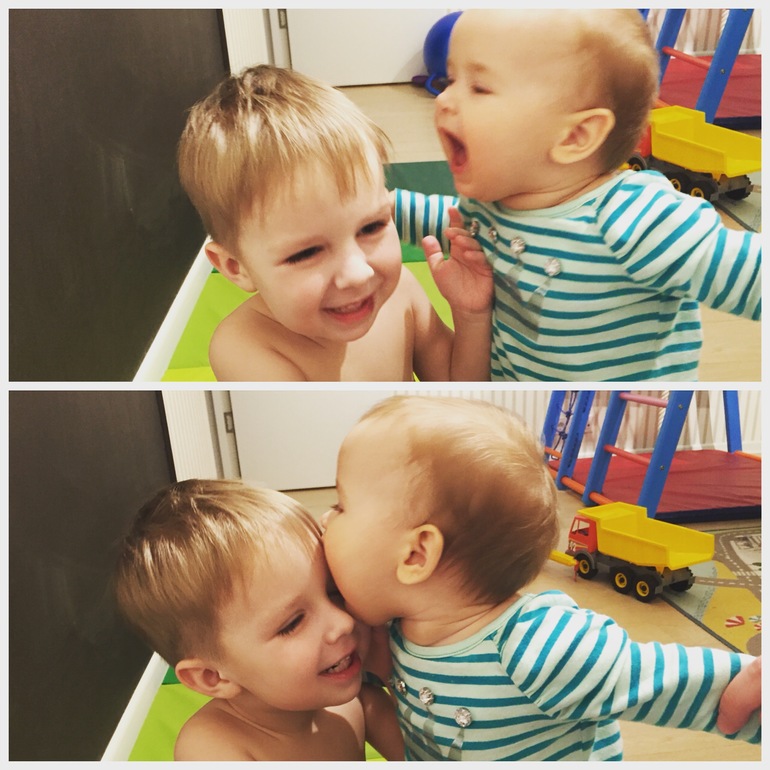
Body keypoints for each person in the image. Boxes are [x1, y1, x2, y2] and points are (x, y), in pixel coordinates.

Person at [322, 395, 762, 761]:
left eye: (340, 505)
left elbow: (675, 680)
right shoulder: (393, 629)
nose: (324, 520)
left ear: (416, 555)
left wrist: (746, 685)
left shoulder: (539, 646)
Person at [392, 9, 761, 381]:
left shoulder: (636, 218)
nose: (443, 100)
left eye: (479, 88)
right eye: (451, 80)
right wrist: (382, 209)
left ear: (574, 136)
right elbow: (451, 223)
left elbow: (750, 273)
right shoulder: (492, 204)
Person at [177, 64, 493, 382]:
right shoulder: (245, 348)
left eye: (371, 227)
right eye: (306, 253)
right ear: (235, 266)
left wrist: (471, 316)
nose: (358, 273)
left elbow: (457, 385)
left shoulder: (401, 290)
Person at [114, 479, 403, 761]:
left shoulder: (359, 702)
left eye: (335, 592)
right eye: (292, 624)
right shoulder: (211, 749)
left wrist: (391, 673)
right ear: (213, 676)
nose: (343, 623)